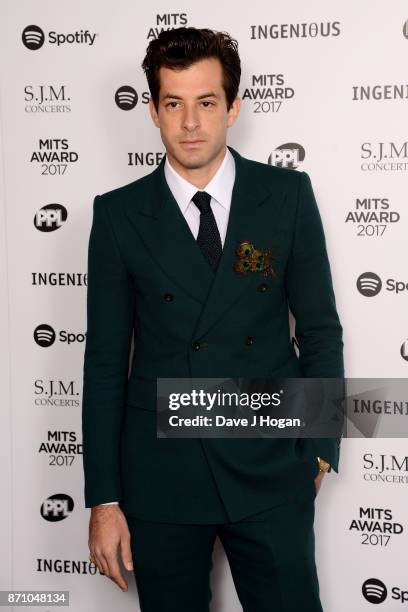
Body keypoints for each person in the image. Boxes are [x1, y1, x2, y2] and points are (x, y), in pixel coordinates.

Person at [82, 27, 344, 612]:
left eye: (206, 103)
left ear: (234, 106)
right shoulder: (118, 215)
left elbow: (321, 330)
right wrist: (103, 500)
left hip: (271, 468)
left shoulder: (287, 196)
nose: (191, 122)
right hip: (161, 477)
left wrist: (321, 444)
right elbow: (103, 362)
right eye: (174, 104)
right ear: (152, 111)